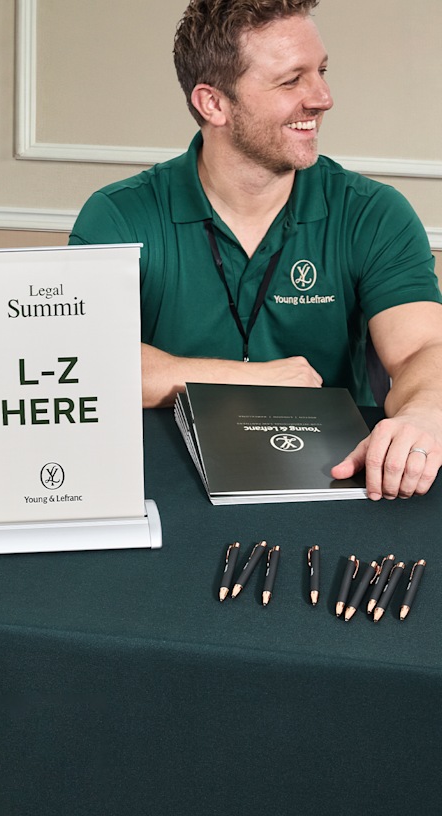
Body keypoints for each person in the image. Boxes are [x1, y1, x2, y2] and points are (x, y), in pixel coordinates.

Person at [69, 0, 442, 501]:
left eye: (322, 72)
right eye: (291, 81)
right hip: (162, 483)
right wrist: (252, 380)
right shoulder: (118, 215)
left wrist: (423, 415)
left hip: (330, 482)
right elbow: (81, 364)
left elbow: (424, 348)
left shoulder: (372, 212)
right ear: (214, 104)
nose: (323, 97)